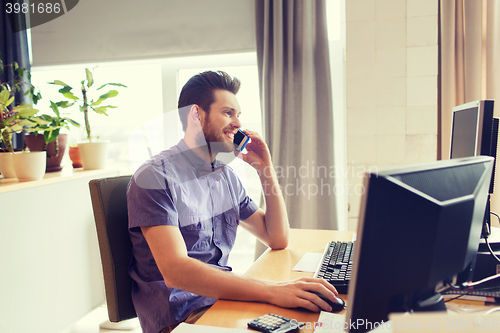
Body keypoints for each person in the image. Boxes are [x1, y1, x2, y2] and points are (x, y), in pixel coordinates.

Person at [127, 70, 338, 333]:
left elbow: (277, 238)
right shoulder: (155, 176)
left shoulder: (225, 175)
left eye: (238, 115)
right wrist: (270, 290)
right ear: (196, 114)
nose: (238, 123)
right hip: (181, 318)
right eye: (228, 113)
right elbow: (176, 270)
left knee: (316, 321)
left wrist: (265, 170)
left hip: (222, 300)